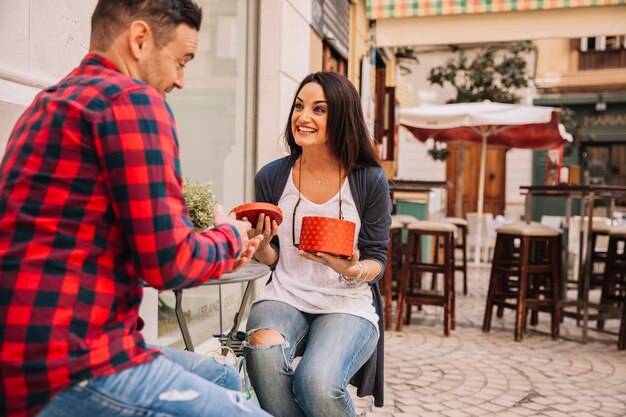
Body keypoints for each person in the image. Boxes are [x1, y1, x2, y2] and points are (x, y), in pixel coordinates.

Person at [0, 1, 271, 416]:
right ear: (140, 39)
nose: (181, 80)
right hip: (77, 363)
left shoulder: (47, 104)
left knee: (223, 376)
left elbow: (130, 241)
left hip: (23, 354)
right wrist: (231, 235)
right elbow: (170, 265)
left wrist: (215, 251)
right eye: (181, 60)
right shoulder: (130, 101)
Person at [243, 72, 392, 417]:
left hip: (346, 302)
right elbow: (273, 257)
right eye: (299, 106)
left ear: (341, 117)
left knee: (317, 382)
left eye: (319, 109)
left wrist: (350, 268)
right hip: (285, 295)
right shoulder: (271, 177)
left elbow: (377, 260)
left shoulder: (368, 180)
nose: (303, 117)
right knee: (262, 353)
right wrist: (263, 243)